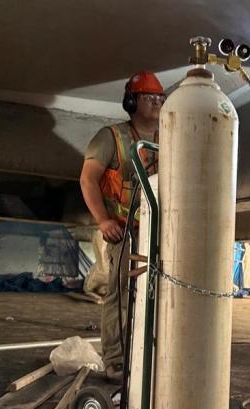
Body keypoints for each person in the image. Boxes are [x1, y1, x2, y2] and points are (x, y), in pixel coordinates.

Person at [79, 71, 166, 381]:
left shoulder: (169, 137)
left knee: (159, 292)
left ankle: (151, 353)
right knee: (119, 291)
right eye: (148, 96)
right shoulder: (111, 137)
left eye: (160, 97)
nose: (156, 101)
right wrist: (103, 221)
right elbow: (88, 179)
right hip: (123, 229)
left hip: (158, 231)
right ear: (132, 101)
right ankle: (116, 359)